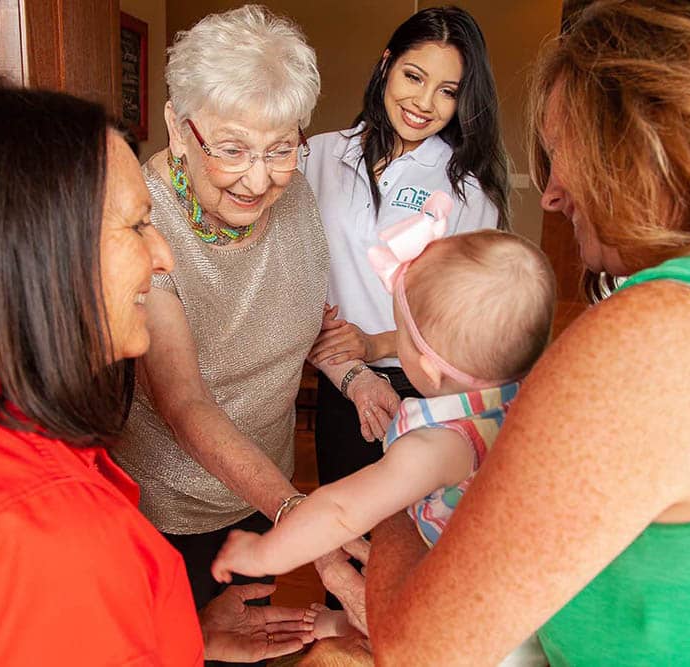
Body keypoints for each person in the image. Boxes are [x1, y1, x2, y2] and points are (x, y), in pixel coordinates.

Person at [365, 1, 690, 664]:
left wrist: (392, 491)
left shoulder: (665, 335)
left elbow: (419, 646)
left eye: (563, 156)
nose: (551, 193)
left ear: (643, 151)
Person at [0, 78, 318, 665]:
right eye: (139, 225)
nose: (163, 254)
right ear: (44, 252)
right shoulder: (50, 539)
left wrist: (184, 635)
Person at [110, 5, 397, 648]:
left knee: (255, 651)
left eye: (281, 148)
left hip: (261, 491)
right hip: (168, 511)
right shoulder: (141, 224)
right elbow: (185, 404)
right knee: (178, 649)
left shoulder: (289, 195)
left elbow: (298, 312)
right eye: (233, 150)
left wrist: (351, 374)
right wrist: (308, 524)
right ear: (178, 130)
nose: (260, 177)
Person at [214, 212, 555, 666]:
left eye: (402, 339)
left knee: (408, 625)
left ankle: (348, 627)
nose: (394, 344)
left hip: (467, 618)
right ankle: (342, 624)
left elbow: (340, 510)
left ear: (429, 370)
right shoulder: (524, 397)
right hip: (515, 591)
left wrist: (265, 552)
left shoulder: (439, 445)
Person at [301, 6, 511, 525]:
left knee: (412, 542)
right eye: (413, 77)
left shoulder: (465, 187)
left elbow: (467, 311)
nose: (423, 102)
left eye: (447, 90)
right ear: (386, 65)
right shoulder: (319, 157)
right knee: (344, 533)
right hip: (341, 381)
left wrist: (378, 343)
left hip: (424, 386)